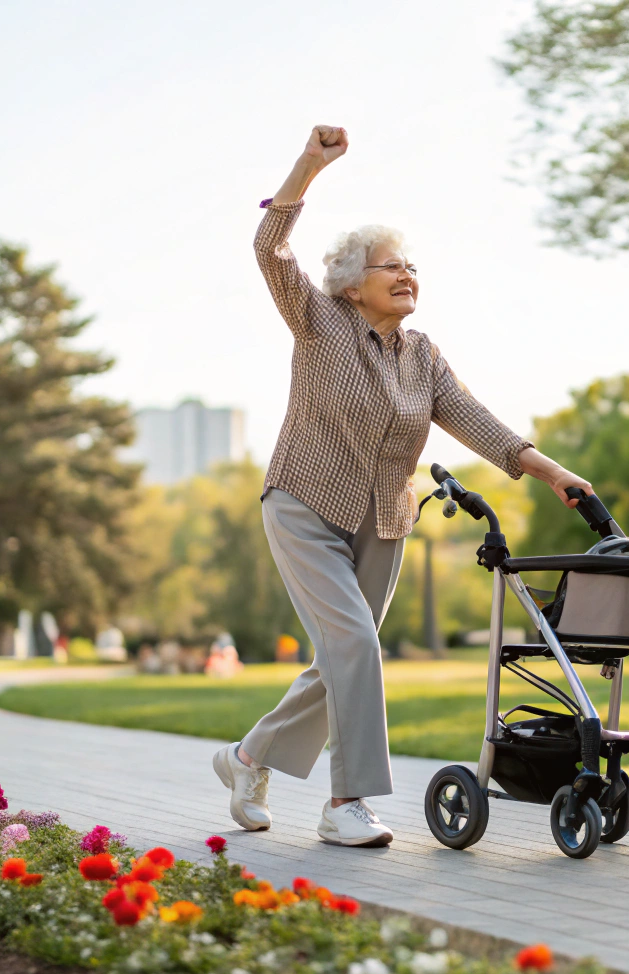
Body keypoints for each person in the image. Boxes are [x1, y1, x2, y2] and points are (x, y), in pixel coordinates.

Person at [214, 125, 592, 847]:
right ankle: (346, 803)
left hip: (384, 521)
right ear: (353, 284)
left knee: (342, 658)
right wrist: (308, 167)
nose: (408, 275)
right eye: (392, 267)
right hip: (304, 504)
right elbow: (271, 250)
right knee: (357, 644)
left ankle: (246, 758)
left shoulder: (422, 355)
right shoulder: (318, 321)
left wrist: (548, 471)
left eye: (413, 266)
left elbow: (474, 420)